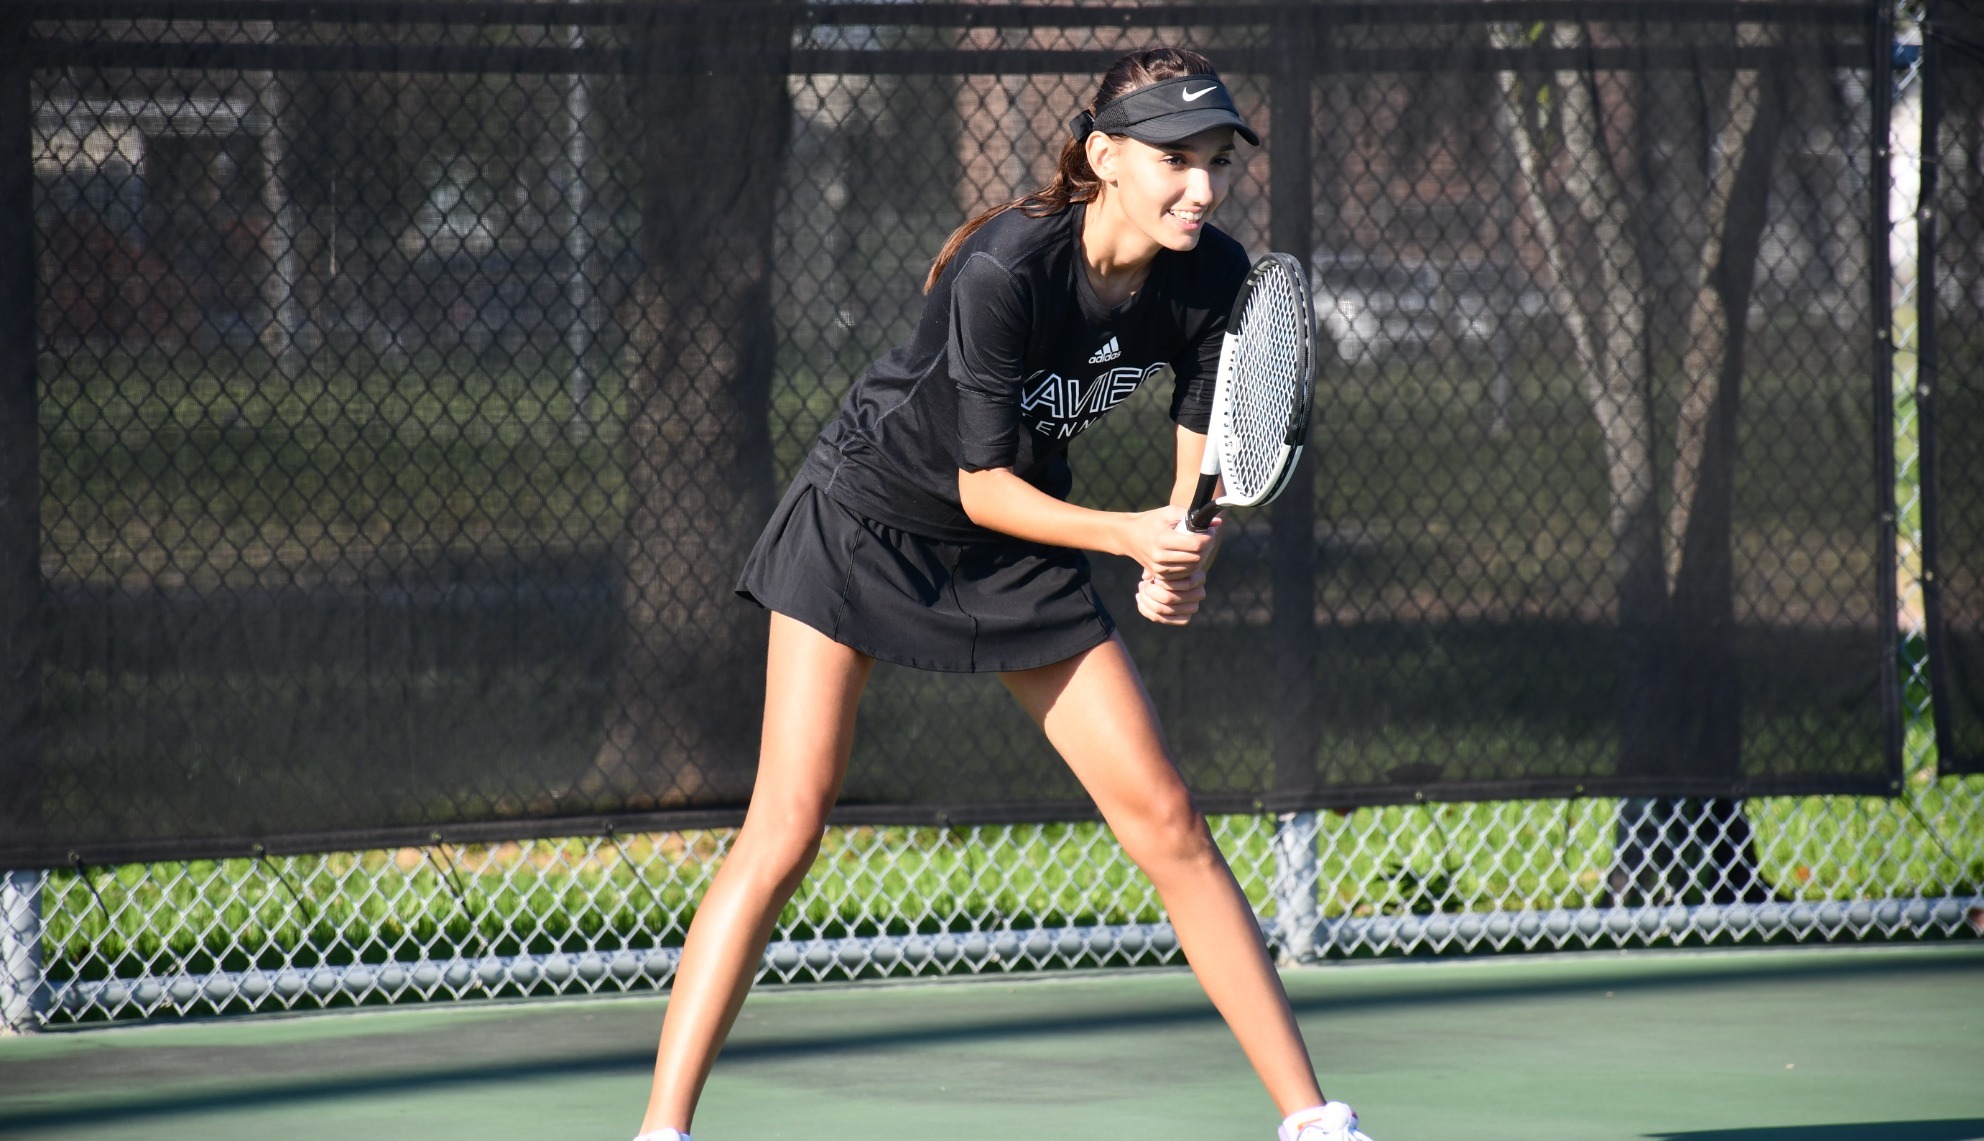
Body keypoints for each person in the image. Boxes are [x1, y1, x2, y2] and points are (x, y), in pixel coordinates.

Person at [632, 47, 1372, 1141]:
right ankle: (663, 1129)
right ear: (1105, 156)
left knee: (1169, 818)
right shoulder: (1004, 268)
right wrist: (1127, 537)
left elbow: (1199, 449)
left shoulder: (1214, 275)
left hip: (1018, 549)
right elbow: (981, 485)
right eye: (1176, 159)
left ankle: (1313, 1122)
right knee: (786, 827)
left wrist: (1183, 547)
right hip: (867, 521)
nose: (1204, 187)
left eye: (1218, 161)